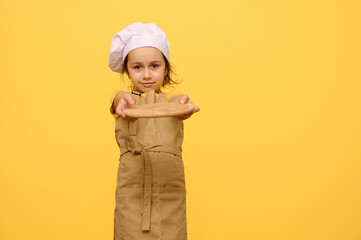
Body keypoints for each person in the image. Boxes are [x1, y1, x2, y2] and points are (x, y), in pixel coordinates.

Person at [108, 23, 199, 240]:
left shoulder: (174, 101)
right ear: (127, 71)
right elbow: (118, 99)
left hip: (170, 185)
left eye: (154, 66)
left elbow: (180, 102)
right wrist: (123, 102)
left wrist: (185, 103)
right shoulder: (123, 100)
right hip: (133, 188)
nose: (147, 75)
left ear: (165, 68)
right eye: (137, 67)